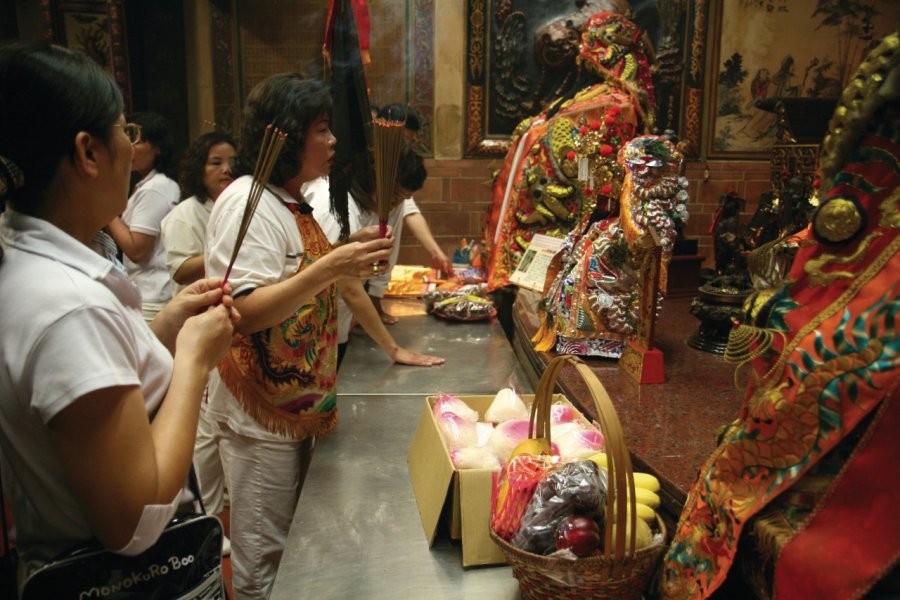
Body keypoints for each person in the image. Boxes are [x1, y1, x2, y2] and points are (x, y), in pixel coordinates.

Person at [0, 41, 236, 590]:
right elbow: (135, 520)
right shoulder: (68, 305)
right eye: (124, 132)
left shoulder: (36, 267)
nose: (131, 148)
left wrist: (163, 330)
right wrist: (195, 361)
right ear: (88, 152)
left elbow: (92, 400)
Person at [204, 73, 438, 599]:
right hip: (260, 407)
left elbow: (298, 276)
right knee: (262, 557)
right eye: (321, 129)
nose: (333, 142)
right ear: (284, 136)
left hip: (295, 399)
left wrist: (342, 253)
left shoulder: (287, 200)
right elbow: (244, 310)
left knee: (291, 545)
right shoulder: (249, 201)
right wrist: (332, 265)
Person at [161, 131, 238, 553]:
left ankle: (217, 510)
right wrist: (231, 247)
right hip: (193, 329)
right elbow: (179, 269)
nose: (226, 170)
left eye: (231, 162)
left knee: (218, 427)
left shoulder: (232, 206)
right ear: (197, 169)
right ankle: (208, 524)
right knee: (204, 434)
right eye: (215, 162)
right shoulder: (185, 214)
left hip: (224, 328)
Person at [307, 143, 446, 368]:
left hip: (337, 327)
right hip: (309, 333)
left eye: (404, 198)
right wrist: (394, 349)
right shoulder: (334, 205)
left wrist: (374, 297)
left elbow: (385, 255)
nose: (397, 204)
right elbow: (349, 288)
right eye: (396, 195)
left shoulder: (390, 200)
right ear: (375, 177)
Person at [373, 103, 453, 323]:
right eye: (401, 139)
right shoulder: (373, 170)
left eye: (408, 141)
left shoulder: (400, 173)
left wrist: (436, 252)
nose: (403, 147)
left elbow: (409, 210)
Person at [107, 111, 181, 323]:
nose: (129, 148)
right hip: (152, 294)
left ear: (158, 148)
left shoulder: (155, 188)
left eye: (137, 141)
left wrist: (109, 212)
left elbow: (138, 249)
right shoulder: (153, 184)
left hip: (153, 298)